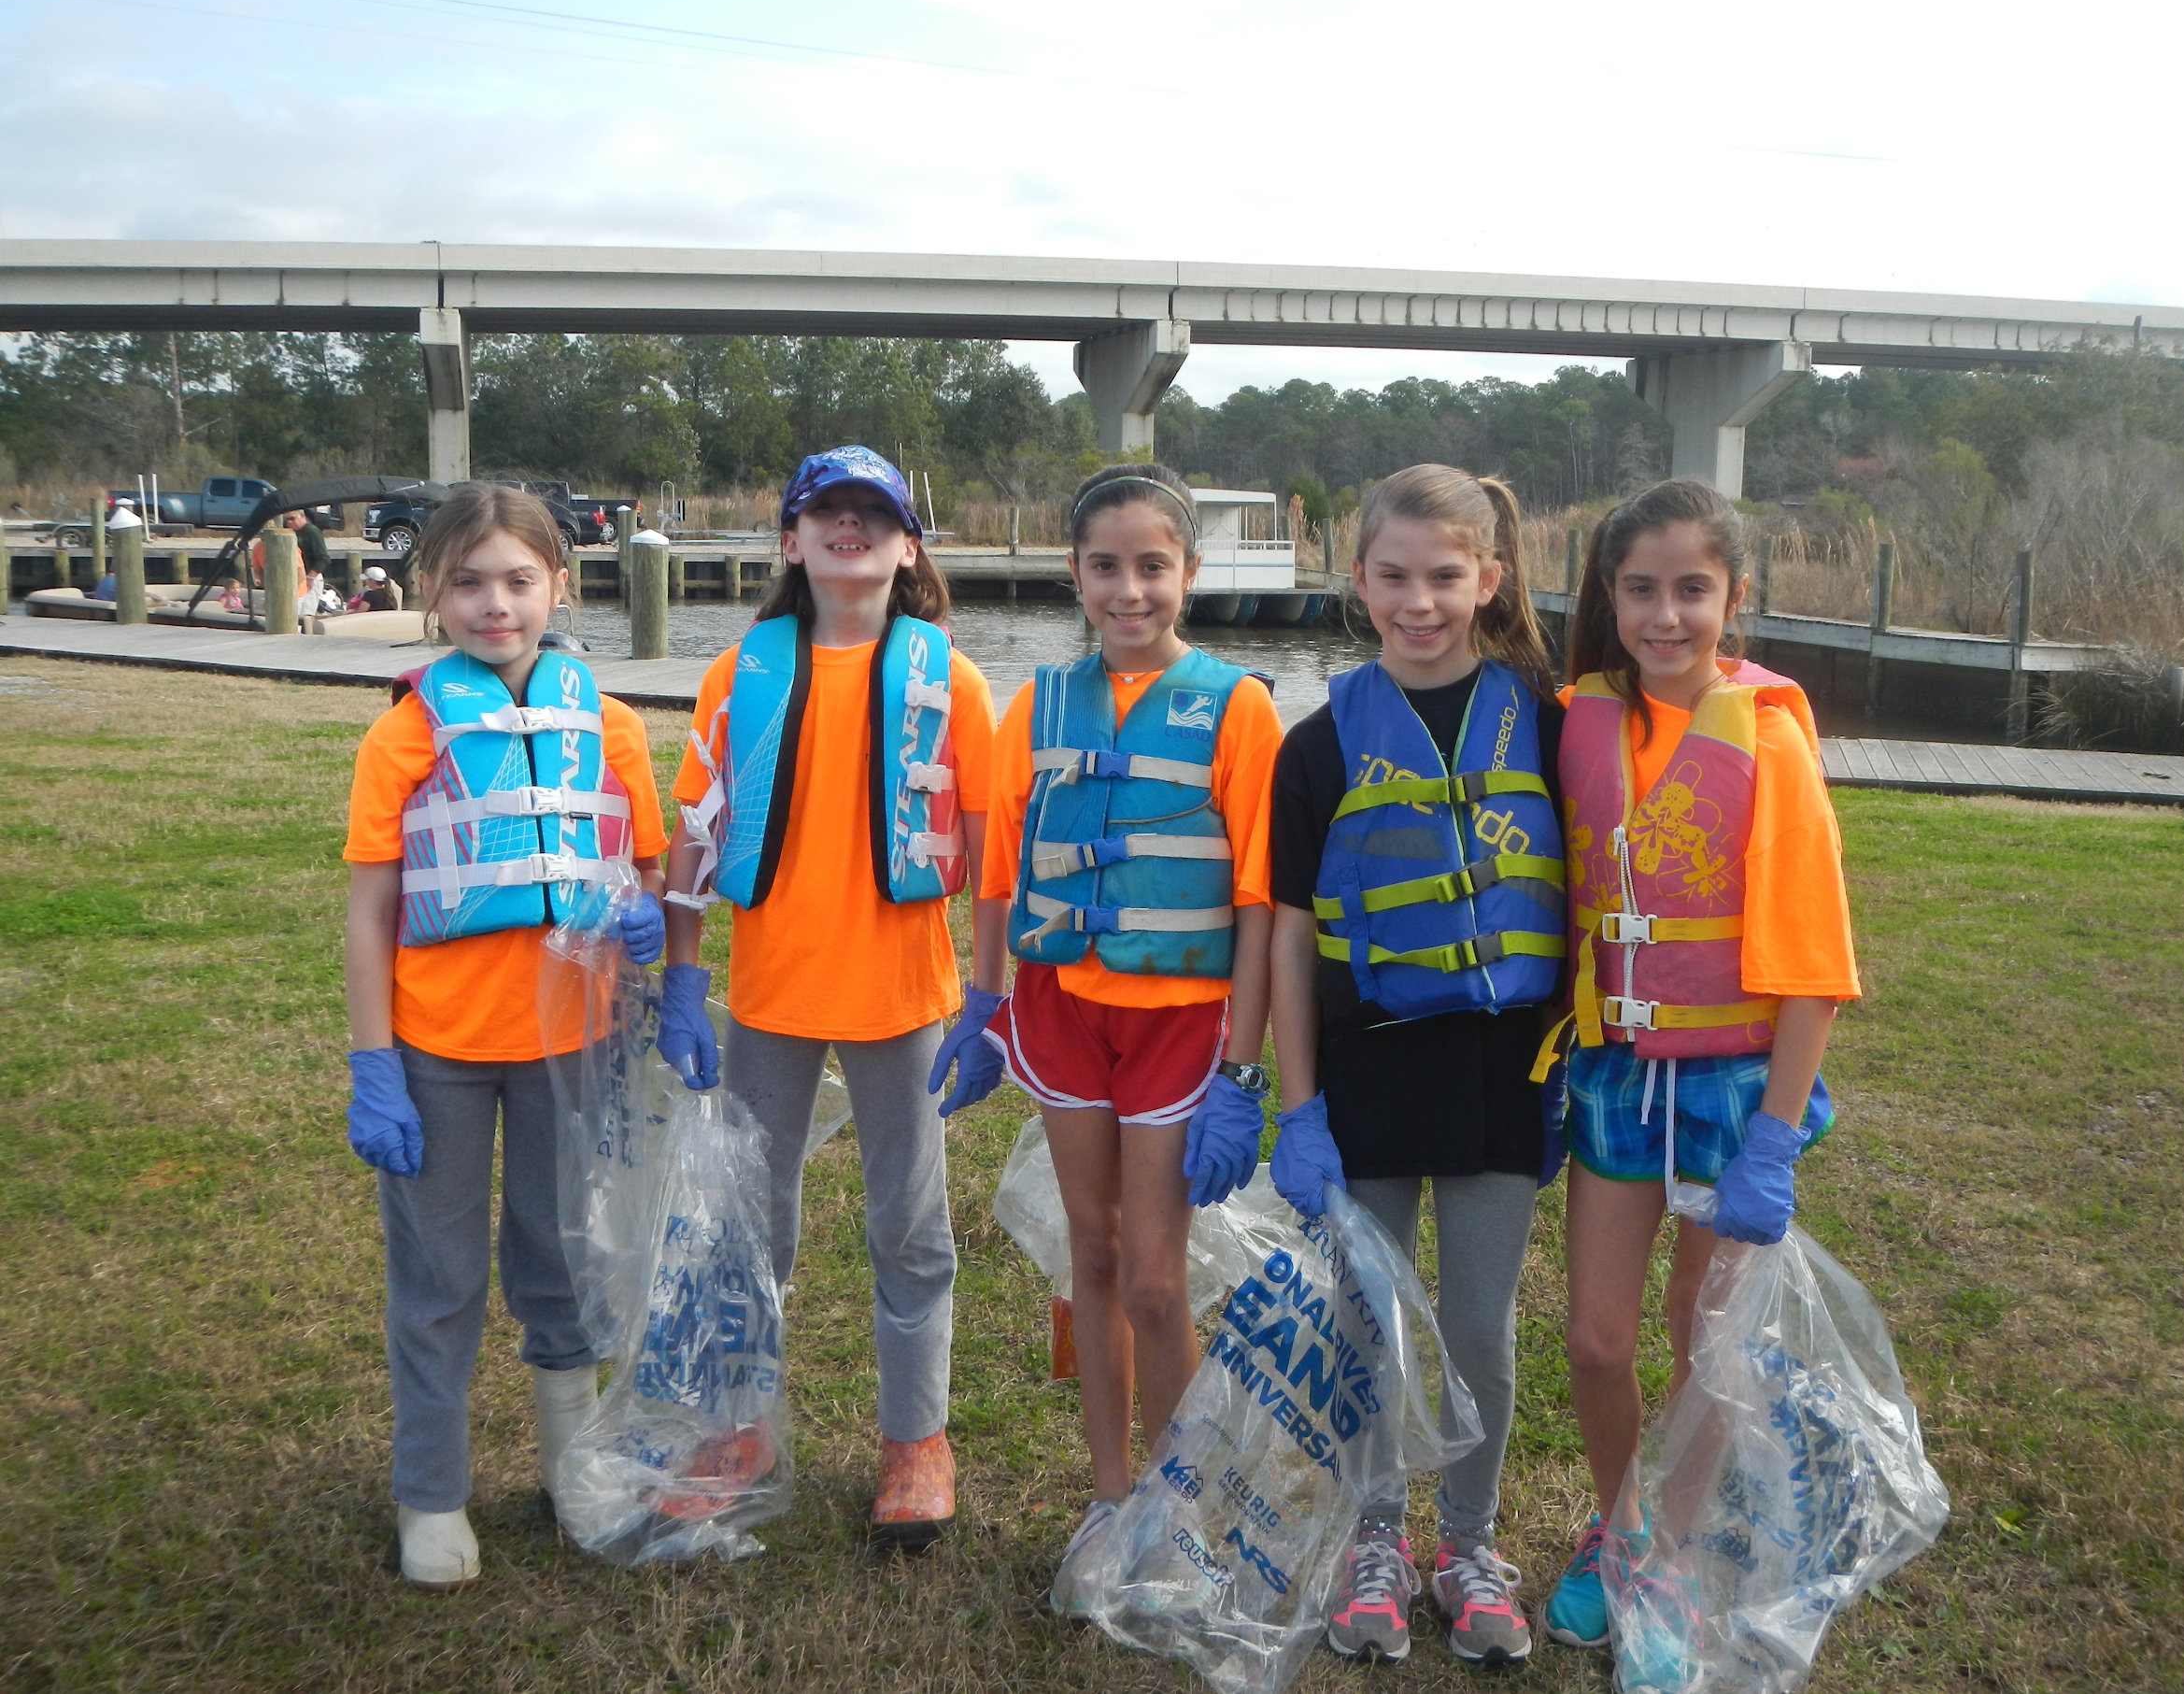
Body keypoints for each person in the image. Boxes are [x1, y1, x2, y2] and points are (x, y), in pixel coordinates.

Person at [940, 463, 1282, 1612]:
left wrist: (1243, 1062)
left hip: (1180, 1027)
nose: (1128, 591)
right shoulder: (1031, 708)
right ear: (1073, 574)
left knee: (1150, 1277)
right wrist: (982, 1003)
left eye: (1152, 566)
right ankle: (1106, 1494)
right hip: (1059, 1015)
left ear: (1187, 573)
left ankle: (1177, 1510)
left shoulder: (1236, 707)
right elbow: (994, 878)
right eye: (1104, 567)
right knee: (1086, 1256)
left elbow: (1258, 901)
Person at [1537, 479, 1859, 1682]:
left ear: (1731, 597)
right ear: (1607, 596)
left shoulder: (1768, 730)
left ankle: (1661, 1563)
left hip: (1734, 1085)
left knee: (1707, 1343)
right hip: (1618, 1073)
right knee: (1599, 1340)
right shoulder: (1569, 716)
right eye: (1640, 589)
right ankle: (1618, 1526)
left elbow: (1813, 954)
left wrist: (1776, 1134)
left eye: (1691, 590)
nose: (1665, 615)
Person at [660, 446, 996, 1552]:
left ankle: (917, 1440)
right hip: (767, 1000)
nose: (848, 530)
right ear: (791, 540)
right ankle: (737, 1427)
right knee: (752, 1228)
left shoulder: (952, 680)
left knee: (909, 1230)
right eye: (826, 513)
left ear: (909, 548)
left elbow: (989, 850)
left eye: (873, 516)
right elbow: (695, 836)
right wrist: (682, 975)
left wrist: (989, 995)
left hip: (904, 1002)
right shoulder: (735, 674)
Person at [339, 482, 673, 1589]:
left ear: (559, 587)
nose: (495, 605)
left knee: (560, 1261)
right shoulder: (401, 735)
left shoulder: (613, 725)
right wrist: (373, 1060)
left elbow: (652, 864)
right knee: (435, 1281)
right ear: (431, 593)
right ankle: (430, 1493)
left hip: (567, 1049)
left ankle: (571, 1468)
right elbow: (370, 911)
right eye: (468, 582)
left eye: (518, 580)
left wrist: (641, 908)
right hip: (433, 1051)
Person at [1266, 464, 1567, 1667]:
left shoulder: (1549, 723)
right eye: (1393, 576)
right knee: (1372, 1321)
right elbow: (1288, 937)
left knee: (1480, 1327)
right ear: (1358, 582)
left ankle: (1471, 1544)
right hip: (1368, 1072)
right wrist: (1295, 1108)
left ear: (1488, 580)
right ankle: (1376, 1542)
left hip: (1505, 1071)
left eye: (1445, 577)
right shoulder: (1316, 747)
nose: (1419, 601)